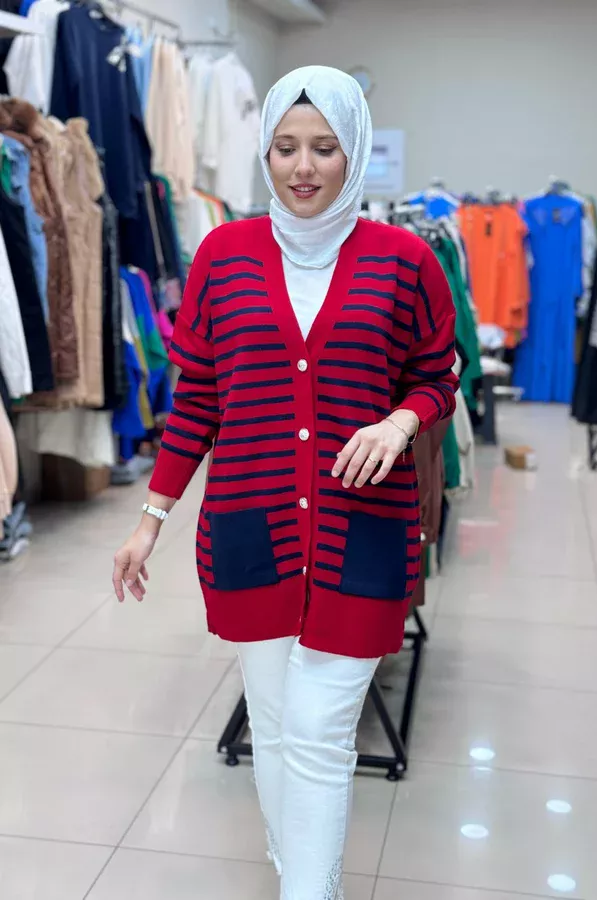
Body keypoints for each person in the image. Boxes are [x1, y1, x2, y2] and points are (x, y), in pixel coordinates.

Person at [112, 65, 458, 900]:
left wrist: (398, 422)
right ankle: (297, 874)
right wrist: (150, 519)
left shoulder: (406, 260)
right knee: (271, 728)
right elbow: (198, 398)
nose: (303, 167)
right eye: (285, 147)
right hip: (248, 529)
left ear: (354, 152)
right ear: (264, 153)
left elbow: (436, 375)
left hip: (362, 534)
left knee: (318, 732)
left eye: (325, 148)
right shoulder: (223, 257)